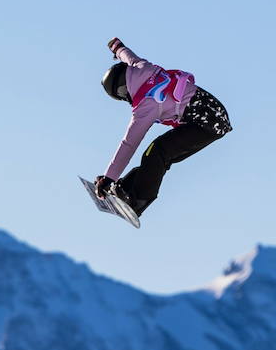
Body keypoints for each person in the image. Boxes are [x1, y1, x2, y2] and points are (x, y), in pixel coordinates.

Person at [95, 38, 232, 219]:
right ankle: (124, 190)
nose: (125, 98)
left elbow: (129, 144)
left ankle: (137, 201)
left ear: (122, 87)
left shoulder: (146, 104)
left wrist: (109, 176)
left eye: (121, 94)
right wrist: (117, 47)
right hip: (214, 115)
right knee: (159, 154)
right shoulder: (142, 67)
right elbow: (128, 56)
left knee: (158, 151)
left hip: (206, 123)